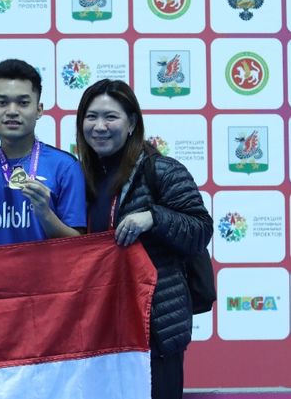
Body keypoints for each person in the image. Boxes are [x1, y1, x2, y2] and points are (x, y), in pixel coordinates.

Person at [75, 78, 213, 399]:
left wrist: (154, 217)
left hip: (157, 328)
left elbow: (200, 229)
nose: (99, 126)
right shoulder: (81, 177)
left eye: (111, 117)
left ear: (132, 122)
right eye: (91, 116)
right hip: (103, 325)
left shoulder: (161, 170)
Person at [0, 58, 86, 246]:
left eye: (23, 103)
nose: (12, 111)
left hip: (50, 276)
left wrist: (45, 214)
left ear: (39, 110)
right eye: (2, 102)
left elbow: (80, 245)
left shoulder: (65, 167)